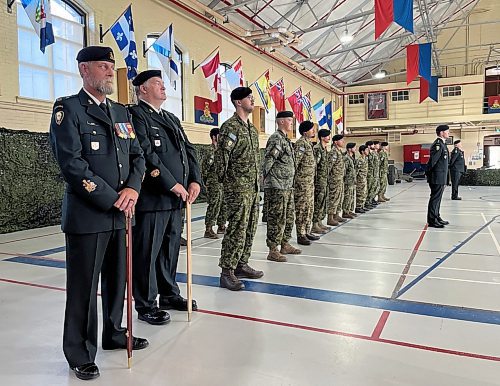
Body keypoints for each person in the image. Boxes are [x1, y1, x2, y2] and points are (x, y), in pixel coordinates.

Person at [49, 46, 148, 381]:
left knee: (118, 279)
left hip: (122, 214)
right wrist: (113, 198)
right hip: (89, 215)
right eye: (103, 66)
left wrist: (133, 189)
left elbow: (137, 156)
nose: (109, 72)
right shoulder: (69, 109)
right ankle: (79, 352)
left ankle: (114, 332)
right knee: (84, 288)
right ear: (84, 70)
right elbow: (72, 164)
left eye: (111, 66)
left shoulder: (121, 112)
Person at [128, 70, 201, 321]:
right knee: (147, 252)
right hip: (153, 197)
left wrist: (194, 180)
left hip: (176, 198)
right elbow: (146, 153)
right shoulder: (136, 115)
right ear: (143, 90)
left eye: (162, 83)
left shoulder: (170, 117)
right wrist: (171, 184)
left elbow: (188, 150)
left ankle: (169, 294)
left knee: (170, 249)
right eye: (157, 83)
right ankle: (146, 304)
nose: (163, 87)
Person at [215, 87, 264, 291]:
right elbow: (221, 158)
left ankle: (241, 264)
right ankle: (227, 272)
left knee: (250, 227)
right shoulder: (230, 127)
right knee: (236, 229)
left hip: (252, 188)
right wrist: (227, 183)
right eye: (249, 98)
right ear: (238, 102)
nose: (252, 100)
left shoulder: (251, 129)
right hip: (237, 188)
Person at [262, 111, 302, 262]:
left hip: (287, 186)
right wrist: (266, 181)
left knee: (289, 216)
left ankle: (285, 243)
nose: (292, 123)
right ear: (282, 121)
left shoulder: (285, 139)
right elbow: (269, 160)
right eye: (290, 120)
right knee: (276, 218)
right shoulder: (276, 139)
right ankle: (273, 249)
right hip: (277, 185)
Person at [294, 120, 319, 245]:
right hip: (302, 183)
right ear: (305, 132)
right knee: (302, 209)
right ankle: (300, 234)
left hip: (309, 183)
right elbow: (295, 163)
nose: (313, 131)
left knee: (309, 208)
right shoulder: (301, 144)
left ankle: (307, 231)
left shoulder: (308, 144)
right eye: (311, 129)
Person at [202, 128, 226, 238]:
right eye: (219, 136)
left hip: (221, 182)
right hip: (213, 182)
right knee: (214, 204)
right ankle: (208, 229)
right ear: (214, 137)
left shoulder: (221, 151)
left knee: (222, 204)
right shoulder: (210, 151)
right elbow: (205, 168)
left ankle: (221, 226)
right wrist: (205, 182)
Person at [426, 125, 450, 228]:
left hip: (441, 176)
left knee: (438, 199)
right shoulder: (438, 145)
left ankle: (436, 216)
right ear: (441, 133)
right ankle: (432, 220)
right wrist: (430, 174)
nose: (448, 133)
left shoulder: (442, 144)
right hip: (436, 176)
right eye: (447, 132)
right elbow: (433, 162)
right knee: (435, 199)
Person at [311, 128, 331, 234]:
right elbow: (314, 166)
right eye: (327, 136)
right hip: (318, 181)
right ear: (322, 137)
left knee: (323, 202)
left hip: (324, 180)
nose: (329, 137)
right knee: (317, 203)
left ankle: (319, 222)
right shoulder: (317, 149)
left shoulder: (324, 149)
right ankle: (314, 224)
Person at [327, 134, 346, 226]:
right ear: (335, 142)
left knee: (339, 197)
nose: (343, 142)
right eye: (341, 140)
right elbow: (329, 167)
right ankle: (330, 218)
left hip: (339, 179)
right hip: (334, 179)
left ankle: (336, 215)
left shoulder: (339, 152)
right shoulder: (333, 152)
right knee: (333, 198)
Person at [342, 142, 357, 219]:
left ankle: (350, 210)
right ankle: (345, 212)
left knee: (351, 197)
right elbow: (344, 170)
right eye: (354, 147)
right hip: (347, 181)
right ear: (349, 149)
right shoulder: (346, 158)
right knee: (347, 197)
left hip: (352, 181)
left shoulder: (352, 158)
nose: (355, 149)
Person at [355, 145, 370, 213]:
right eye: (366, 150)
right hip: (360, 179)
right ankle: (358, 207)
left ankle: (362, 206)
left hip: (364, 178)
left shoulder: (365, 159)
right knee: (360, 193)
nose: (368, 151)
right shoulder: (359, 160)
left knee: (364, 193)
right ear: (362, 151)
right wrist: (355, 180)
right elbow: (356, 171)